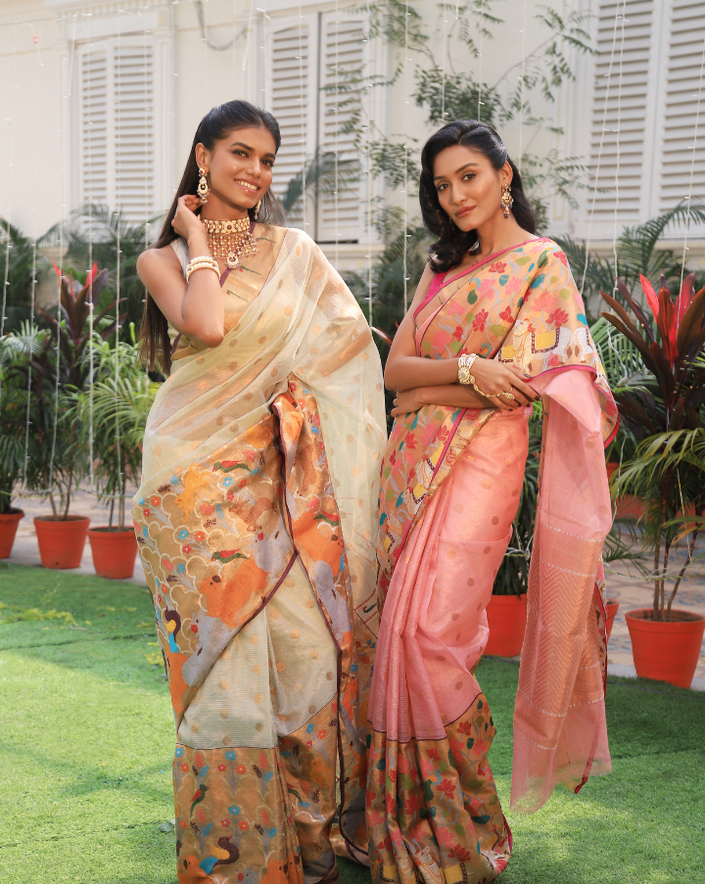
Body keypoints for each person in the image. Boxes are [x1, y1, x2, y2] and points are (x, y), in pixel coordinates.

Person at [133, 100, 387, 884]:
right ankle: (237, 853)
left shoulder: (295, 252)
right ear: (202, 157)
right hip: (190, 475)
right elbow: (206, 327)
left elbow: (344, 355)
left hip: (283, 471)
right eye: (239, 154)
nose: (255, 171)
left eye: (267, 160)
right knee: (226, 661)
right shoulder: (162, 259)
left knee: (306, 651)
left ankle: (308, 837)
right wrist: (201, 239)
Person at [366, 120, 618, 884]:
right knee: (397, 632)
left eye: (468, 176)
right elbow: (393, 375)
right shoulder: (440, 268)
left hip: (482, 464)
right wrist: (471, 371)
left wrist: (443, 388)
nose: (455, 196)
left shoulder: (542, 264)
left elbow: (536, 384)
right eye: (441, 186)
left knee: (430, 635)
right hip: (407, 468)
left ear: (504, 174)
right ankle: (408, 820)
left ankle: (463, 819)